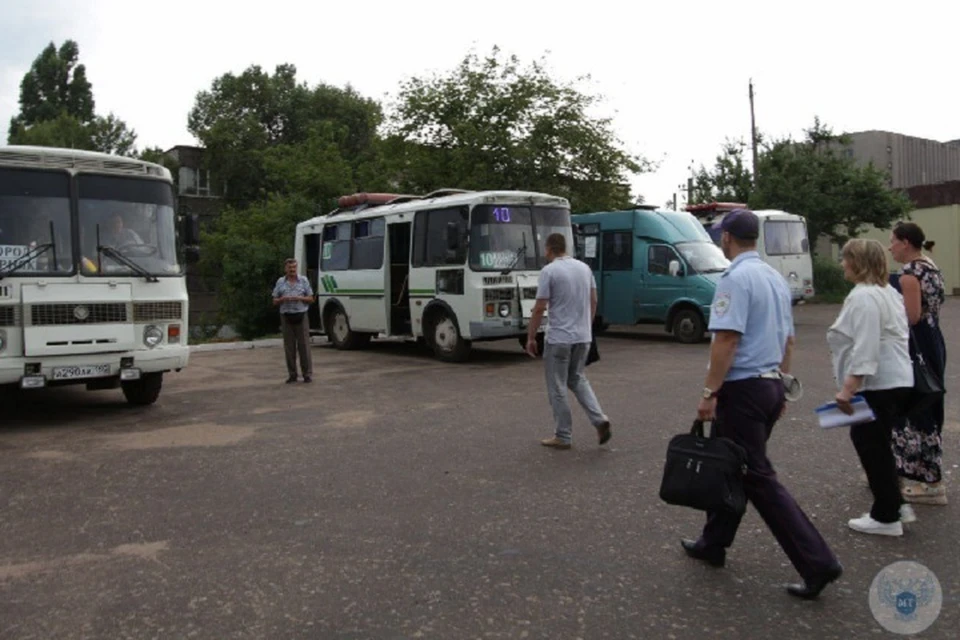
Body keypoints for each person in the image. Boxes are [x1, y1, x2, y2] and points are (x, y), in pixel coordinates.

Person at [681, 209, 842, 600]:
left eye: (721, 235)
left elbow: (726, 341)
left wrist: (709, 393)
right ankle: (713, 543)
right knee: (731, 469)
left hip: (742, 391)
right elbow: (788, 341)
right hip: (769, 385)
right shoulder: (773, 278)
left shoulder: (734, 279)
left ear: (727, 239)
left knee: (757, 478)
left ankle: (817, 562)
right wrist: (782, 385)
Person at [827, 239, 915, 535]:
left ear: (858, 262)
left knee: (870, 445)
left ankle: (886, 516)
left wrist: (849, 388)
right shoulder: (887, 292)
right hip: (896, 380)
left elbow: (866, 346)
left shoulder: (863, 297)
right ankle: (895, 505)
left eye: (846, 259)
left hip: (877, 384)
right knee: (879, 444)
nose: (843, 264)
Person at [525, 233, 611, 449]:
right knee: (578, 378)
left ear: (549, 249)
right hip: (583, 337)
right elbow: (594, 300)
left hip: (559, 339)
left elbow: (540, 307)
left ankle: (563, 435)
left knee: (557, 385)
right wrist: (586, 327)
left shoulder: (549, 271)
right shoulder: (584, 268)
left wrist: (531, 336)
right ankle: (599, 419)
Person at [888, 222, 948, 505]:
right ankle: (908, 469)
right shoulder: (931, 267)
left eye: (894, 241)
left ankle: (930, 480)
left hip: (917, 344)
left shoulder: (911, 274)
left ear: (906, 243)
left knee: (915, 405)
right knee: (928, 401)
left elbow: (910, 316)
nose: (891, 247)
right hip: (933, 339)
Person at [272, 258, 315, 383]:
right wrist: (282, 299)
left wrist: (299, 298)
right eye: (290, 268)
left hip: (301, 315)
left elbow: (311, 298)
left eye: (294, 268)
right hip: (286, 316)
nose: (292, 270)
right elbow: (274, 301)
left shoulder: (303, 280)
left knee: (304, 346)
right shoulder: (280, 282)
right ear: (285, 269)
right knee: (289, 347)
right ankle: (292, 374)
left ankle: (307, 374)